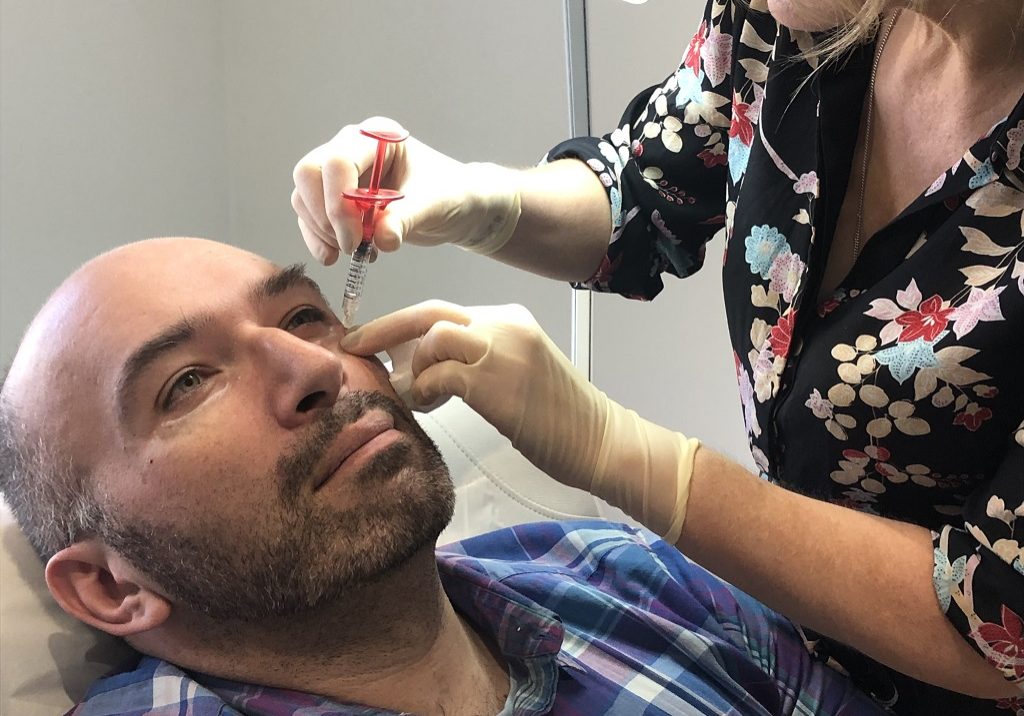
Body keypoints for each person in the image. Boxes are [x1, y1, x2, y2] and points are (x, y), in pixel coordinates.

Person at [289, 1, 1024, 714]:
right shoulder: (788, 14)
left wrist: (630, 458)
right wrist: (488, 200)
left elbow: (995, 618)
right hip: (782, 649)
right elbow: (643, 191)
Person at [0, 237, 889, 715]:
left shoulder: (625, 575)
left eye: (305, 315)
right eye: (187, 383)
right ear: (111, 587)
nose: (314, 369)